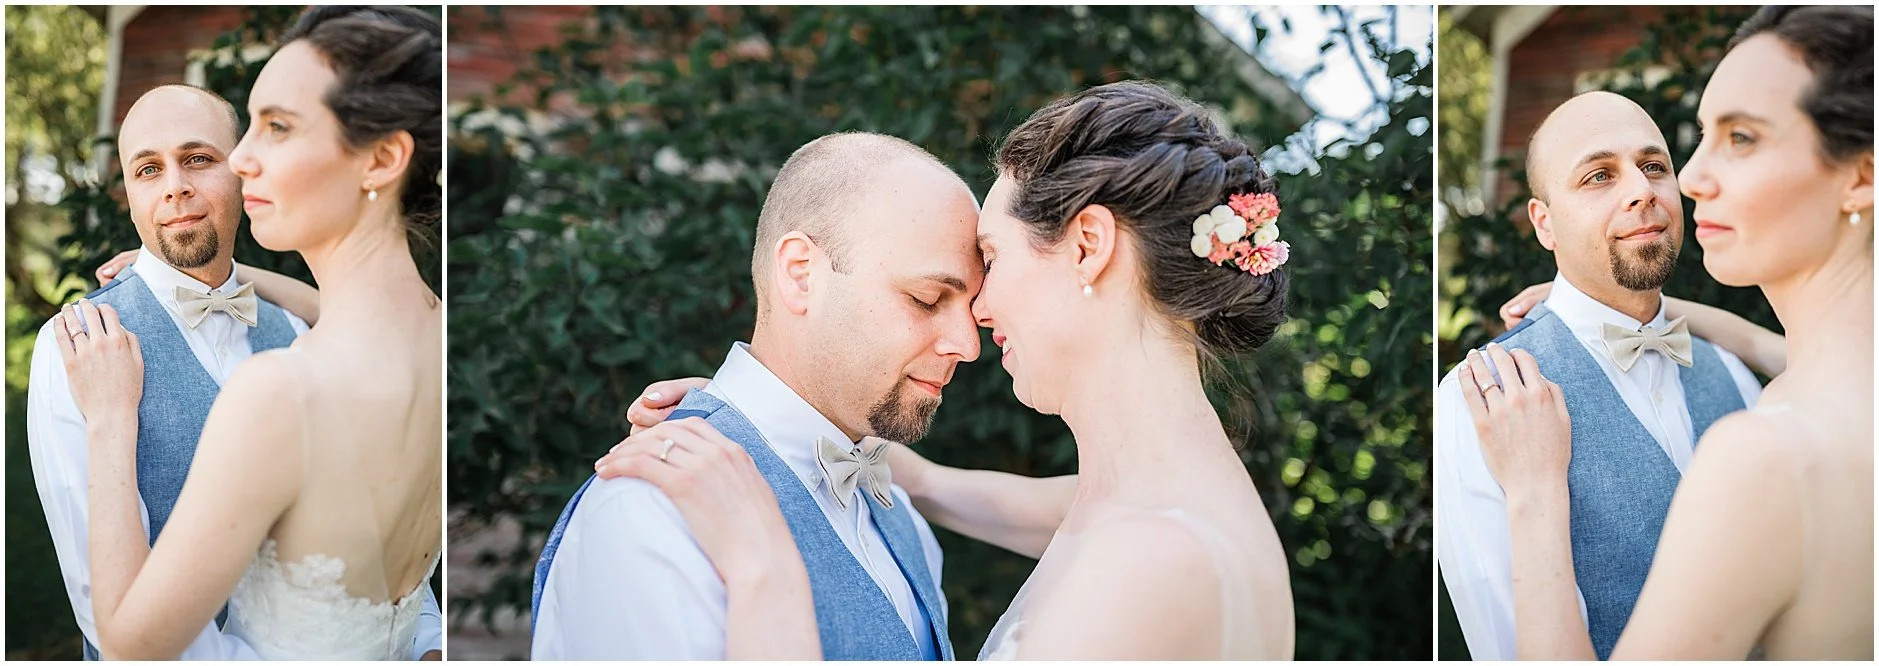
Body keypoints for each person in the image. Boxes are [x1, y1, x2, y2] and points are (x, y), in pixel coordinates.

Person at [599, 81, 1296, 659]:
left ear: (1087, 245)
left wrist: (767, 570)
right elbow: (995, 500)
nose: (977, 315)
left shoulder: (1146, 561)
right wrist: (768, 425)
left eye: (990, 259)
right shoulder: (1165, 500)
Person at [1462, 5, 1872, 659]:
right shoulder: (1480, 394)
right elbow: (1775, 346)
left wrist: (1537, 494)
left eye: (1741, 138)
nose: (1684, 181)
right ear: (1544, 222)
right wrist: (1621, 306)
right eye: (1702, 137)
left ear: (1860, 174)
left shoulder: (1760, 445)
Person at [48, 6, 445, 659]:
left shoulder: (283, 387)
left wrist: (112, 421)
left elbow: (128, 643)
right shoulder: (432, 335)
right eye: (147, 169)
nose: (242, 160)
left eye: (277, 128)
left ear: (381, 158)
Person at [529, 132, 975, 660]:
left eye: (972, 307)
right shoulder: (651, 514)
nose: (967, 345)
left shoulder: (901, 520)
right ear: (801, 274)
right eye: (927, 299)